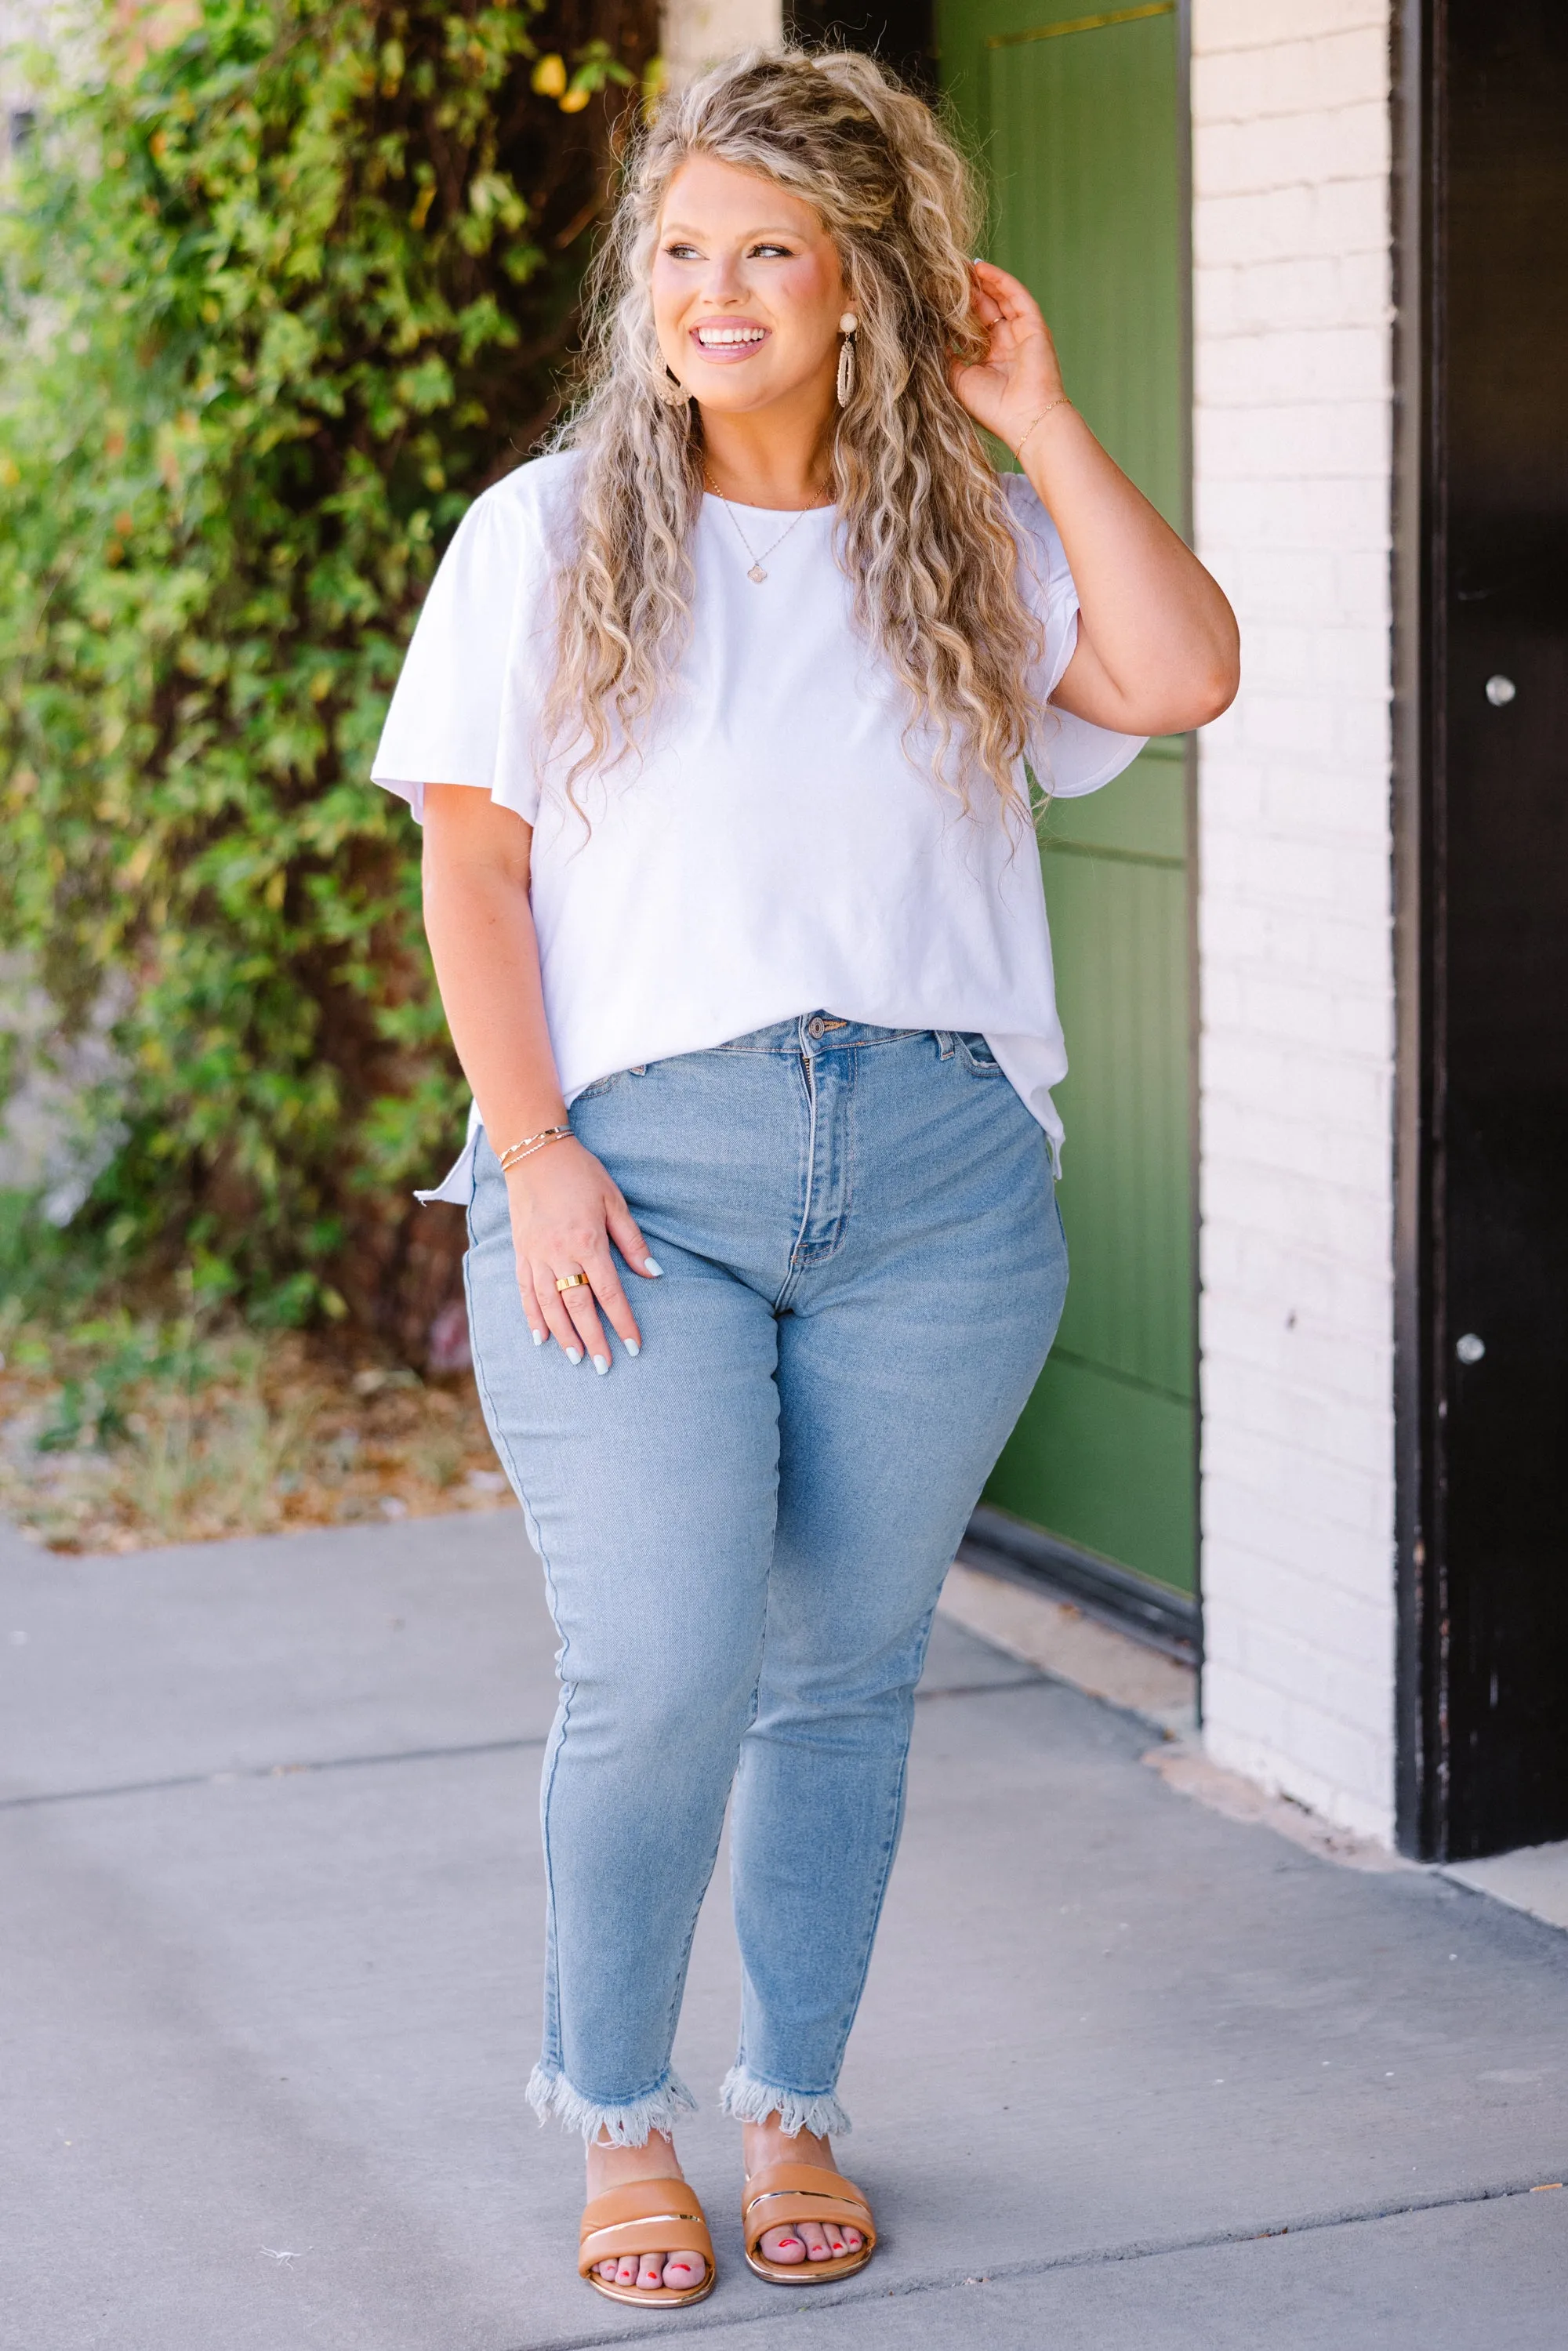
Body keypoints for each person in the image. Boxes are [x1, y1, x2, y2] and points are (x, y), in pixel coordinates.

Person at [372, 45, 1237, 2311]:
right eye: (681, 251)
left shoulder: (964, 529)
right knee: (657, 1666)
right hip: (634, 1174)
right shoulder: (544, 535)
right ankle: (618, 2112)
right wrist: (534, 1156)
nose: (716, 290)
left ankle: (795, 2100)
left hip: (942, 1177)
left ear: (868, 282)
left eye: (771, 249)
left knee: (843, 1671)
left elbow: (1184, 671)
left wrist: (1036, 415)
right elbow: (473, 872)